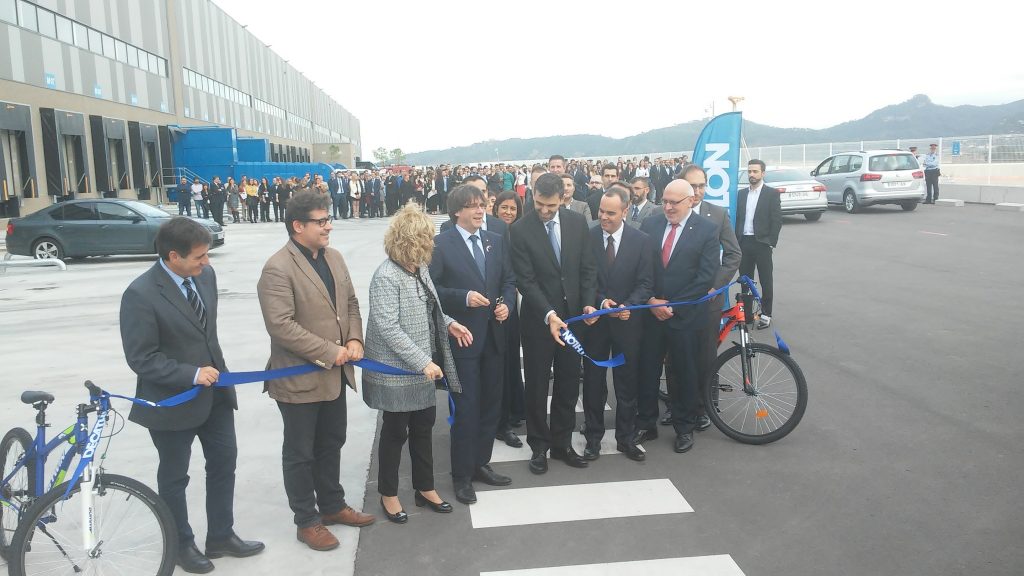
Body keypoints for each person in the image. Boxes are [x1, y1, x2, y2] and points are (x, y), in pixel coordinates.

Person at [120, 217, 264, 573]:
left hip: (215, 396)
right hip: (174, 404)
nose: (206, 262)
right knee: (174, 477)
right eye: (199, 256)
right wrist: (191, 374)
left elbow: (205, 335)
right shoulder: (140, 295)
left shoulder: (204, 276)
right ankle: (180, 544)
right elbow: (141, 358)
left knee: (224, 463)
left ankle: (221, 535)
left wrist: (211, 375)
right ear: (173, 256)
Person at [256, 190, 375, 552]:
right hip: (299, 379)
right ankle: (307, 521)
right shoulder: (278, 268)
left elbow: (350, 303)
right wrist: (329, 351)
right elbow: (281, 326)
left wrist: (354, 338)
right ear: (298, 225)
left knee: (331, 442)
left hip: (334, 375)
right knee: (300, 452)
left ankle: (333, 505)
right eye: (321, 221)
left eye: (328, 219)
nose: (328, 227)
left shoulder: (334, 258)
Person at [363, 204, 471, 523]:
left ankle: (425, 488)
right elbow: (388, 327)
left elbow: (431, 308)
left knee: (424, 427)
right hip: (397, 372)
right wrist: (424, 361)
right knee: (395, 432)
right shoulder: (386, 276)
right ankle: (388, 493)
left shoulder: (419, 268)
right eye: (426, 238)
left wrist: (449, 323)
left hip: (422, 368)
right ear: (410, 241)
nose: (431, 244)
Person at [430, 184, 517, 505]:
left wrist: (507, 304)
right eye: (473, 206)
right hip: (463, 338)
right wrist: (463, 297)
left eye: (482, 205)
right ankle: (462, 475)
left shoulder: (495, 240)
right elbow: (432, 289)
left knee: (491, 405)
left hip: (494, 335)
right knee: (466, 408)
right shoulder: (441, 245)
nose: (481, 210)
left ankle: (481, 463)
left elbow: (509, 280)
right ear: (457, 212)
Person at [509, 173, 598, 474]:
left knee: (569, 383)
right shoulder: (520, 230)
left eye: (550, 205)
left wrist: (588, 303)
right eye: (539, 204)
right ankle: (539, 446)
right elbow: (526, 281)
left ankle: (562, 443)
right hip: (539, 321)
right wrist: (549, 314)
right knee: (536, 385)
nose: (544, 211)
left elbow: (587, 268)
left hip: (573, 320)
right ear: (533, 196)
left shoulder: (577, 222)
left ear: (562, 198)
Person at [637, 179, 720, 454]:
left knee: (685, 373)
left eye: (674, 202)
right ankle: (646, 423)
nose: (668, 207)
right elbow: (640, 268)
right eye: (665, 201)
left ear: (691, 201)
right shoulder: (650, 225)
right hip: (651, 314)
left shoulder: (707, 230)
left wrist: (673, 306)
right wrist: (651, 301)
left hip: (685, 316)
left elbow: (705, 277)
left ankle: (684, 427)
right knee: (647, 371)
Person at [663, 164, 742, 430]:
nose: (697, 191)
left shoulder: (717, 215)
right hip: (676, 299)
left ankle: (705, 406)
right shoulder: (667, 213)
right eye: (692, 186)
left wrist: (714, 286)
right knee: (674, 356)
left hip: (707, 300)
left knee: (705, 355)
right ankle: (675, 405)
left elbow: (733, 254)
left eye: (701, 185)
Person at [581, 183, 653, 462]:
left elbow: (646, 282)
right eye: (601, 211)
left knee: (627, 382)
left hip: (627, 323)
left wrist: (628, 305)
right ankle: (593, 438)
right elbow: (584, 279)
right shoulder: (587, 237)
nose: (604, 217)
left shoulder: (641, 240)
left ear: (625, 211)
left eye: (610, 213)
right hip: (596, 323)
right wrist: (601, 303)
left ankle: (626, 438)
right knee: (593, 382)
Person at [735, 159, 782, 329]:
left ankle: (766, 314)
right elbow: (737, 218)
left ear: (763, 173)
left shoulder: (771, 194)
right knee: (746, 281)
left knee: (765, 280)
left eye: (755, 171)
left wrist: (770, 242)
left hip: (762, 243)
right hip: (744, 242)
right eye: (749, 171)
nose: (752, 174)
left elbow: (776, 220)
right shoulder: (741, 194)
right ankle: (747, 315)